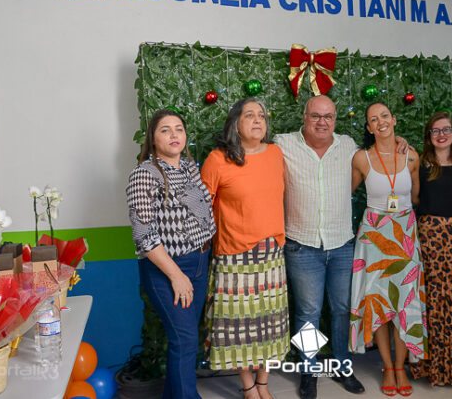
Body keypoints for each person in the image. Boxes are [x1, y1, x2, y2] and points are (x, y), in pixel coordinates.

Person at [274, 95, 365, 399]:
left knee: (342, 309)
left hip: (342, 244)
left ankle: (342, 367)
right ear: (304, 116)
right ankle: (309, 371)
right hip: (302, 245)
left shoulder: (348, 146)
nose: (322, 122)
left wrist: (401, 143)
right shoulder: (284, 144)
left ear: (335, 119)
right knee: (308, 313)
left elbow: (380, 153)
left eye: (328, 116)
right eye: (316, 116)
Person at [201, 98, 289, 399]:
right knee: (238, 329)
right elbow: (202, 208)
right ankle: (248, 386)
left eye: (261, 115)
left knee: (270, 325)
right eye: (249, 115)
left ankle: (263, 382)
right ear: (235, 124)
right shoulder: (217, 159)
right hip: (233, 254)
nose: (257, 120)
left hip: (271, 253)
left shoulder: (276, 153)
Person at [126, 109, 216, 399]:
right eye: (165, 130)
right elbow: (144, 236)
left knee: (186, 339)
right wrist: (176, 276)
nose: (174, 134)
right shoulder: (144, 174)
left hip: (199, 261)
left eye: (179, 128)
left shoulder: (189, 167)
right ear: (153, 138)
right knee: (185, 339)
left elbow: (201, 213)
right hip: (168, 268)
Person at [349, 102, 426, 398]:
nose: (380, 122)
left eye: (384, 116)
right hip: (374, 237)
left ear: (393, 120)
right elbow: (345, 192)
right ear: (369, 128)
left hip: (405, 235)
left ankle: (401, 366)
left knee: (405, 302)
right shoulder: (361, 158)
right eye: (373, 119)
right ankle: (388, 367)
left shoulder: (411, 156)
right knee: (378, 302)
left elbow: (416, 196)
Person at [409, 112, 452, 390]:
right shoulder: (421, 165)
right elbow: (415, 198)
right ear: (429, 136)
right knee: (433, 301)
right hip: (430, 238)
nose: (441, 135)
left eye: (446, 129)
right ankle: (433, 367)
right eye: (435, 130)